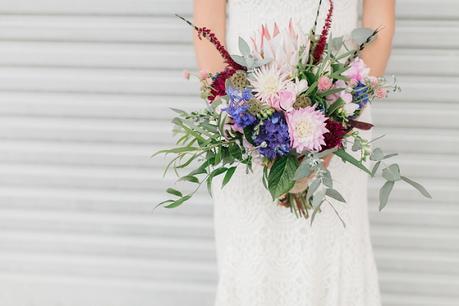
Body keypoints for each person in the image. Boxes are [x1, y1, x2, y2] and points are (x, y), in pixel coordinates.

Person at [193, 1, 395, 305]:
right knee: (252, 259)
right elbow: (207, 25)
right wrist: (240, 119)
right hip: (246, 131)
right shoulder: (243, 125)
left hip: (337, 119)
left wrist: (336, 124)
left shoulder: (338, 122)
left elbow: (379, 22)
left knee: (328, 252)